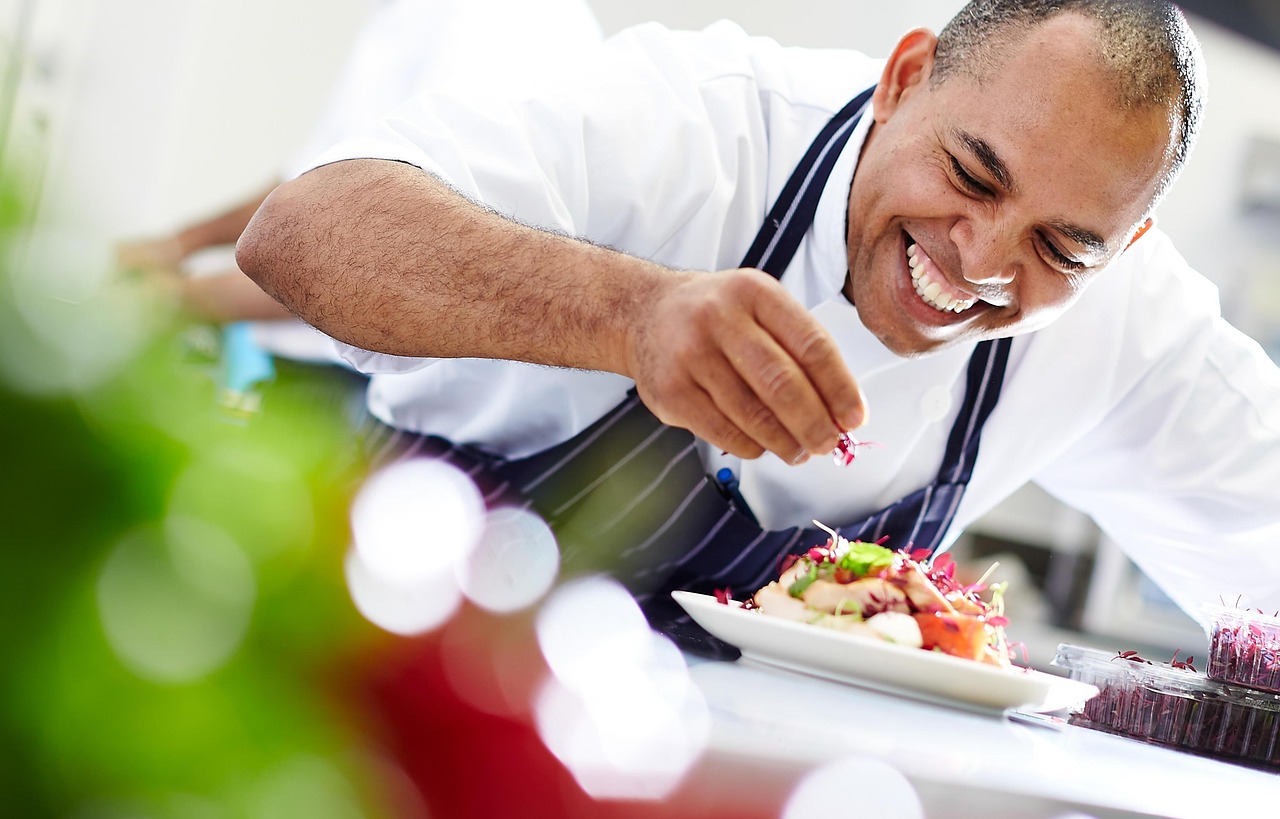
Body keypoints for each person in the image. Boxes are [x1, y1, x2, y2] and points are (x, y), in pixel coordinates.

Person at [235, 0, 1280, 654]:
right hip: (391, 658)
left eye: (1061, 248)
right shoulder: (699, 119)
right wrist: (630, 316)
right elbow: (303, 232)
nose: (980, 261)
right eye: (968, 174)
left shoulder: (1130, 326)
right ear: (904, 77)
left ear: (1128, 244)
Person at [116, 0, 603, 363]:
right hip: (303, 351)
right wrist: (179, 245)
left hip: (367, 380)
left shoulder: (508, 28)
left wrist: (179, 299)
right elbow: (315, 179)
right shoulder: (417, 15)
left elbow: (391, 257)